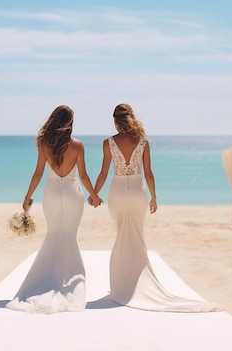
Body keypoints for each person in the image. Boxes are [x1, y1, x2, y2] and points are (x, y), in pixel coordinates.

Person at [91, 103, 221, 312]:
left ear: (115, 121)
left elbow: (104, 173)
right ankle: (134, 283)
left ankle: (121, 285)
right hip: (137, 192)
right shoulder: (143, 142)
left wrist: (94, 194)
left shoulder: (108, 143)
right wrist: (154, 197)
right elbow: (149, 173)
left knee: (121, 235)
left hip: (116, 191)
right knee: (137, 236)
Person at [6, 105, 103, 314]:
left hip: (51, 193)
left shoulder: (43, 143)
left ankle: (46, 281)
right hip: (71, 193)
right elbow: (84, 176)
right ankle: (66, 282)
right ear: (69, 123)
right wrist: (94, 195)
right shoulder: (77, 145)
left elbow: (38, 173)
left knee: (53, 234)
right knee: (69, 235)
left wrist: (27, 196)